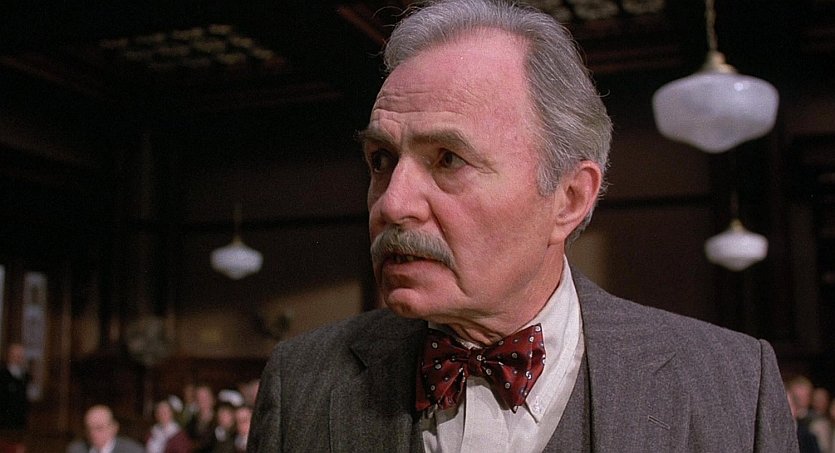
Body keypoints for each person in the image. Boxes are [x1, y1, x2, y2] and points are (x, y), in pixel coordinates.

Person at [248, 0, 798, 451]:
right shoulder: (301, 382)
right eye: (381, 160)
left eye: (448, 159)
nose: (392, 204)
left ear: (569, 199)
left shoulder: (732, 385)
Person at [66, 405, 144, 453]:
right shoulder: (76, 449)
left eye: (99, 428)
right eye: (89, 428)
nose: (92, 433)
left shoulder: (133, 450)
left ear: (114, 428)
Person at [0, 343, 30, 430]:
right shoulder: (2, 375)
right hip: (4, 420)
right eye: (16, 355)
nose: (19, 358)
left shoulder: (25, 375)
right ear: (9, 356)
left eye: (21, 355)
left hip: (20, 420)